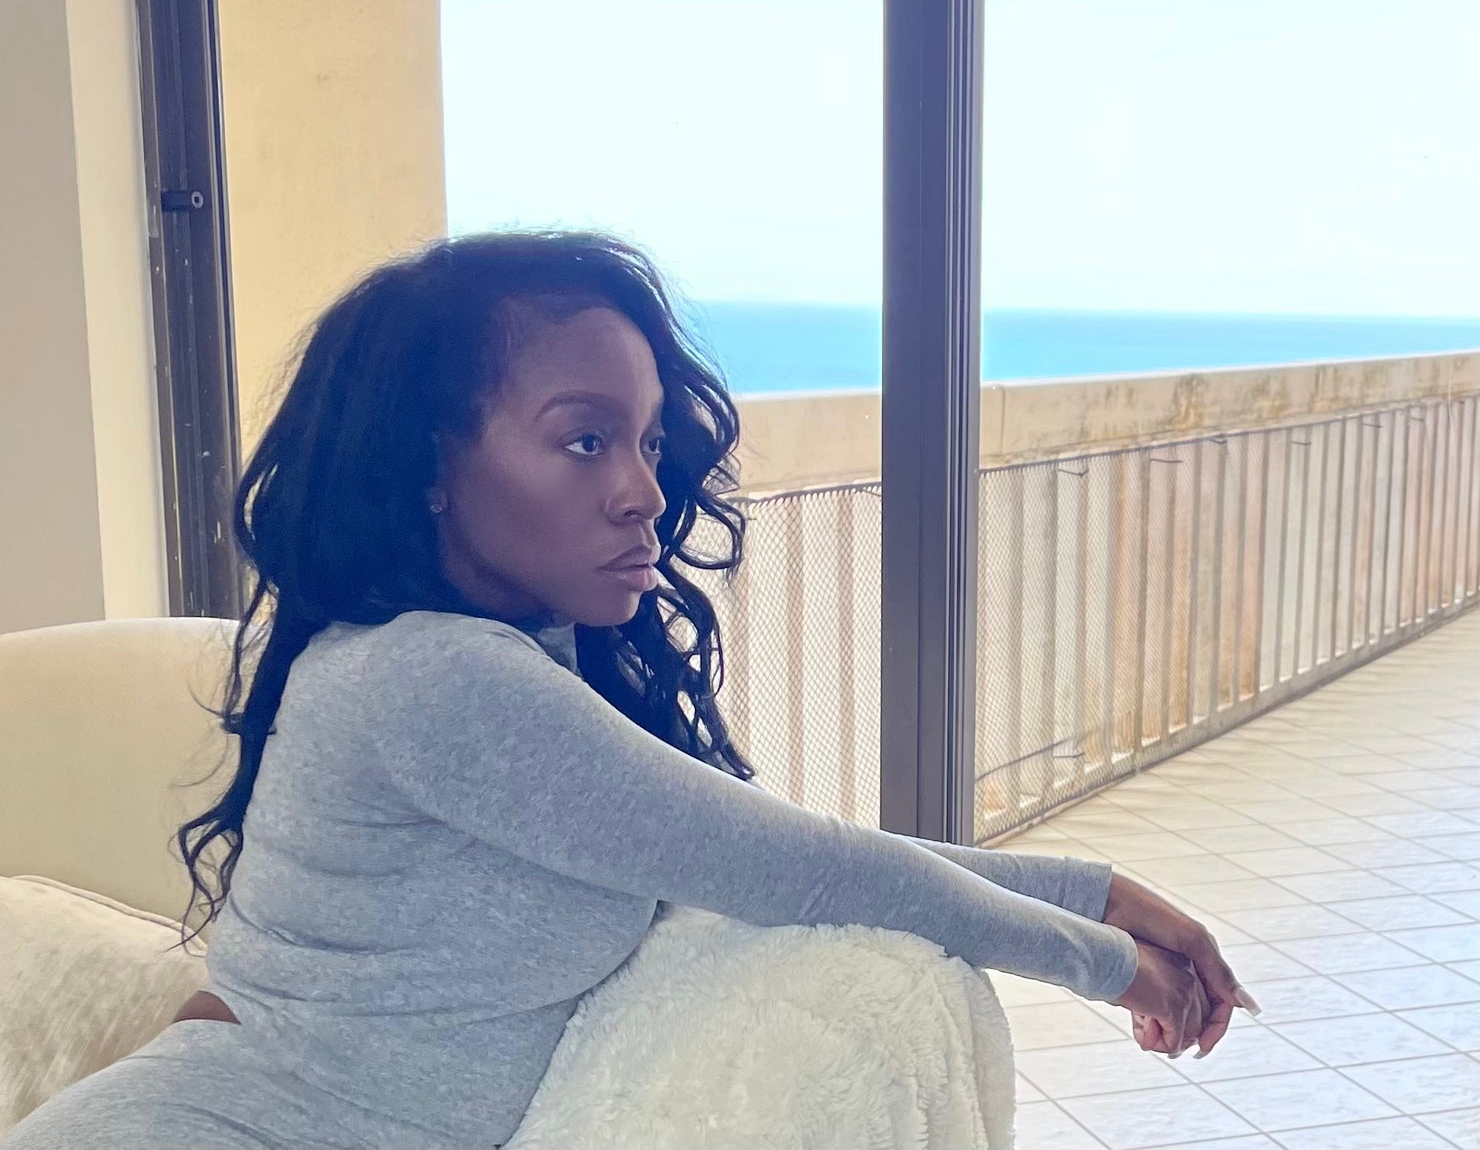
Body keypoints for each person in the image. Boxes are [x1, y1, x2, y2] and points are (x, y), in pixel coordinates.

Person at [5, 232, 1251, 1149]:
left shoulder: (504, 663)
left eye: (649, 439)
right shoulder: (436, 677)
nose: (642, 489)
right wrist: (1105, 961)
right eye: (584, 436)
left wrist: (1100, 893)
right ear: (431, 463)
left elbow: (774, 852)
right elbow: (805, 868)